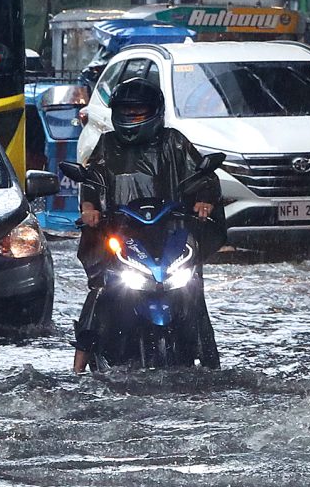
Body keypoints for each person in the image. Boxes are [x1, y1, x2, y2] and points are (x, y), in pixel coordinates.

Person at [73, 74, 218, 371]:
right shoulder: (107, 144)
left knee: (192, 290)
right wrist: (90, 210)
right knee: (101, 289)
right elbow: (91, 182)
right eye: (126, 112)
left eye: (138, 112)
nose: (131, 117)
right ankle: (78, 367)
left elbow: (203, 177)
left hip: (171, 236)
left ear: (155, 112)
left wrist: (204, 202)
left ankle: (208, 360)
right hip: (121, 235)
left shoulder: (174, 143)